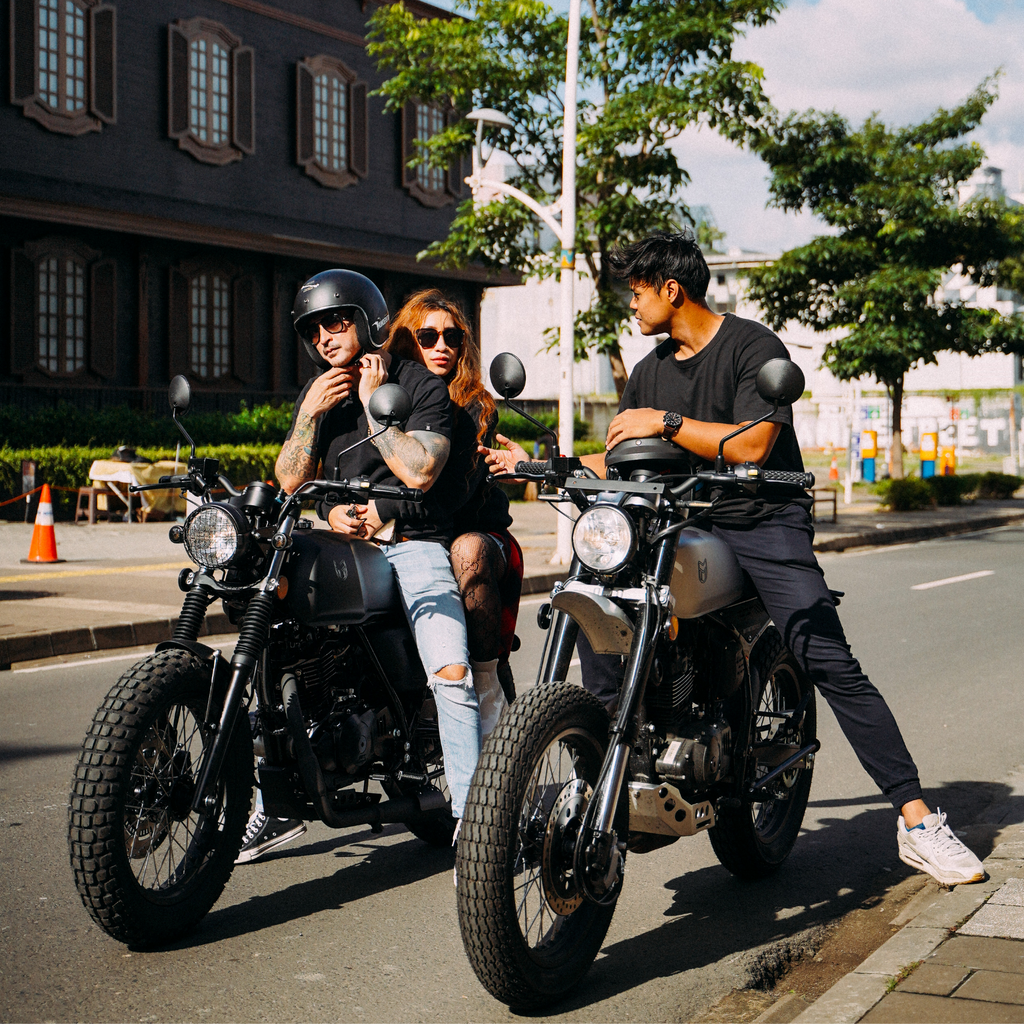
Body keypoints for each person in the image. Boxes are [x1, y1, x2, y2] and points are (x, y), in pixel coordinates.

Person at [484, 232, 985, 888]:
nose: (630, 307)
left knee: (827, 658)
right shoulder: (650, 368)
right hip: (679, 521)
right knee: (597, 599)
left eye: (635, 293)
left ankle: (918, 822)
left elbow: (750, 448)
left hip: (762, 521)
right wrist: (539, 463)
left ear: (672, 289)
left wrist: (663, 423)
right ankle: (605, 770)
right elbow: (631, 459)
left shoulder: (754, 348)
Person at [236, 269, 481, 865]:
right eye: (314, 328)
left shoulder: (420, 383)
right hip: (338, 542)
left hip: (412, 543)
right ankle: (271, 798)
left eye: (336, 321)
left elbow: (422, 471)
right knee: (269, 631)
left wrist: (376, 413)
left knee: (452, 673)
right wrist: (308, 419)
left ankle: (478, 824)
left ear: (367, 319)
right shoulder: (319, 391)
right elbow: (292, 480)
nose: (324, 336)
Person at [385, 289, 523, 733]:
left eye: (452, 337)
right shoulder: (385, 398)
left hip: (474, 535)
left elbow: (452, 496)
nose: (441, 346)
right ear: (406, 341)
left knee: (467, 550)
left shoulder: (473, 404)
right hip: (414, 535)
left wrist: (383, 512)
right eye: (427, 336)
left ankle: (484, 685)